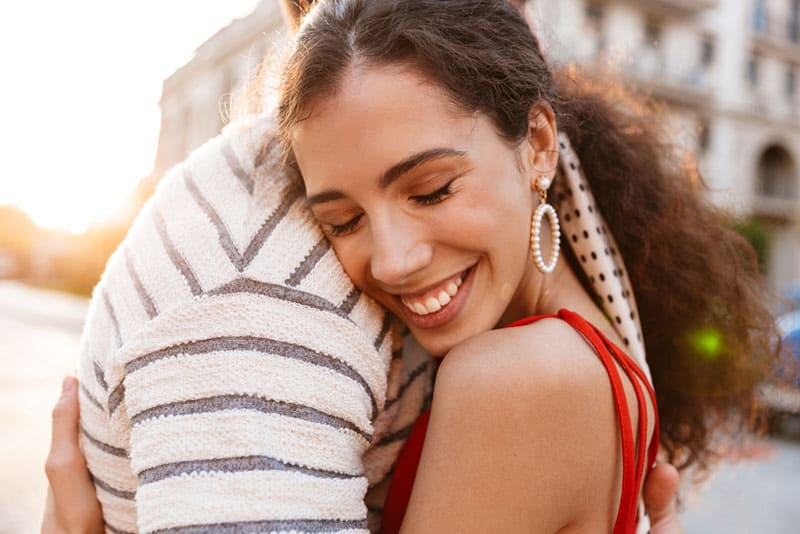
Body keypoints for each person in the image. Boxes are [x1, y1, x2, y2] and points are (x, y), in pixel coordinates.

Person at [40, 0, 769, 532]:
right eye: (341, 220)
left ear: (539, 144)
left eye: (431, 189)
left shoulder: (515, 379)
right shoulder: (591, 334)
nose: (391, 261)